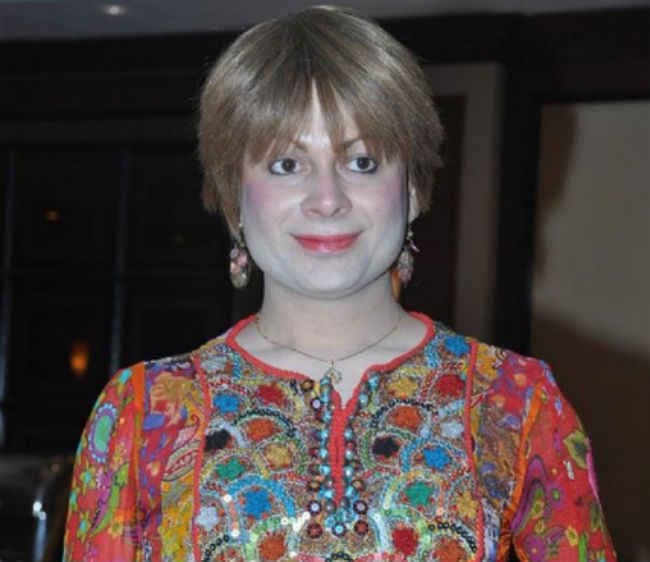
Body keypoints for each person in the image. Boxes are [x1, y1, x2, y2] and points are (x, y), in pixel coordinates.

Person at [63, 6, 616, 562]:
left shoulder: (515, 401)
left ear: (413, 189)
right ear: (234, 198)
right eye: (286, 164)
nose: (327, 199)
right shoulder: (143, 414)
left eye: (362, 161)